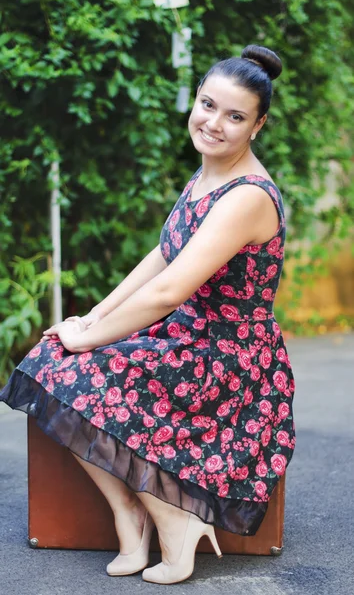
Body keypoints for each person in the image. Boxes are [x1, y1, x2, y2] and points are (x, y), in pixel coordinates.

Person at [0, 43, 296, 585]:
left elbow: (169, 291)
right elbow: (161, 256)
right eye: (208, 105)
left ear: (258, 126)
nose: (214, 123)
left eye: (235, 117)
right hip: (189, 337)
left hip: (229, 359)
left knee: (72, 367)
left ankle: (174, 518)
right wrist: (89, 319)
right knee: (48, 361)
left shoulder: (247, 195)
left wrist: (86, 342)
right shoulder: (206, 176)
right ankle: (130, 517)